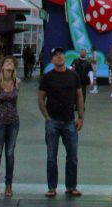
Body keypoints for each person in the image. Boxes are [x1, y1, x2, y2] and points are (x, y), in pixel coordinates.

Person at [37, 46, 85, 198]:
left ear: (65, 57)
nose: (59, 57)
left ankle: (71, 186)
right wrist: (47, 117)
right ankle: (52, 187)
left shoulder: (73, 76)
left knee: (72, 156)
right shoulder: (47, 77)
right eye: (56, 55)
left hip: (69, 121)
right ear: (52, 60)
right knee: (52, 156)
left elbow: (79, 96)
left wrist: (81, 117)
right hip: (53, 121)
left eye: (61, 54)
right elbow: (40, 97)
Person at [0, 55, 21, 198]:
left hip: (13, 121)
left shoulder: (17, 82)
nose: (9, 64)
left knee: (10, 152)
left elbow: (16, 100)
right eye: (7, 62)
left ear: (14, 67)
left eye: (11, 63)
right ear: (2, 66)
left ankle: (8, 185)